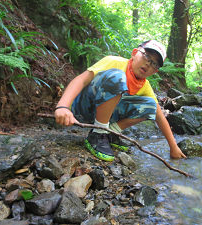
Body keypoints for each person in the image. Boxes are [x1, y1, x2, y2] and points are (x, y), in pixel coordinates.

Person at [54, 40, 186, 161]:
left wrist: (173, 147)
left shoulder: (144, 85)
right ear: (134, 53)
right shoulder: (114, 62)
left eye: (154, 64)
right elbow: (82, 79)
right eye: (146, 56)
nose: (148, 64)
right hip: (83, 108)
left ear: (155, 71)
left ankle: (111, 132)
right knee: (118, 77)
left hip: (105, 116)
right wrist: (63, 106)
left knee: (151, 105)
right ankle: (98, 133)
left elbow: (159, 116)